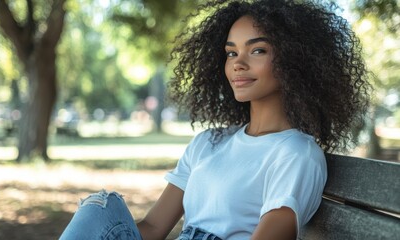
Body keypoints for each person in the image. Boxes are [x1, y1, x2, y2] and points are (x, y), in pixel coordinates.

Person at [60, 0, 371, 239]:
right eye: (231, 53)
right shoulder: (208, 143)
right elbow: (154, 227)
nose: (239, 64)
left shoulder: (295, 153)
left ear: (294, 59)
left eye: (258, 50)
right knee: (101, 209)